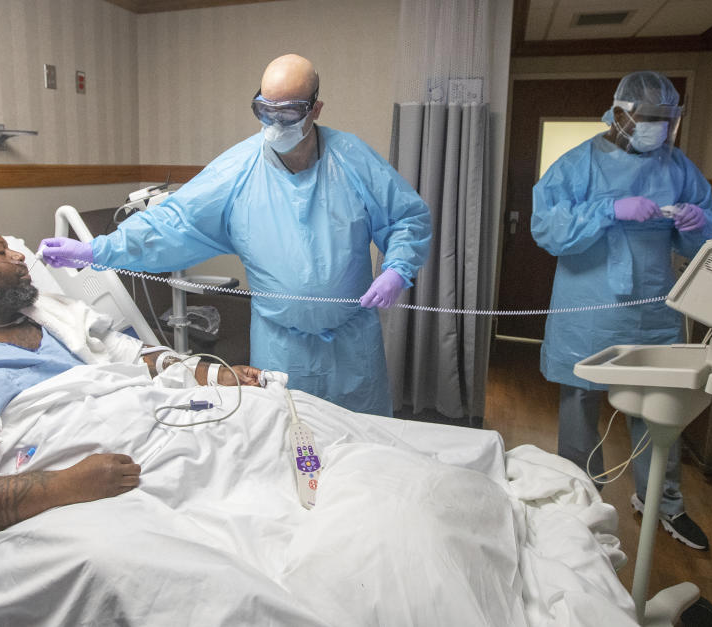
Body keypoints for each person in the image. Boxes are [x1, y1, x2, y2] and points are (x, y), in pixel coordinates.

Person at [0, 224, 262, 575]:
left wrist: (209, 373)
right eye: (1, 252)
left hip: (162, 439)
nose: (20, 257)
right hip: (76, 487)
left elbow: (132, 355)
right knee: (161, 561)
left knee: (266, 421)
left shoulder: (56, 317)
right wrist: (63, 486)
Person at [39, 54, 432, 417]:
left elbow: (406, 218)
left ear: (315, 109)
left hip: (352, 342)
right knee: (284, 437)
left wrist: (397, 268)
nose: (275, 123)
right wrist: (96, 250)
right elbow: (172, 222)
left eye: (289, 111)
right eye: (265, 109)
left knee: (361, 446)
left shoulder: (353, 159)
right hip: (282, 345)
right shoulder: (237, 170)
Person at [531, 71, 712, 550]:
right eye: (649, 118)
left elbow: (703, 230)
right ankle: (580, 502)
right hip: (589, 302)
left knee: (658, 406)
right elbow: (547, 228)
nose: (658, 128)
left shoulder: (677, 167)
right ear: (620, 114)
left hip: (653, 306)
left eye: (666, 120)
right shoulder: (578, 165)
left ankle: (663, 501)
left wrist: (698, 223)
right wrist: (609, 211)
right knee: (581, 403)